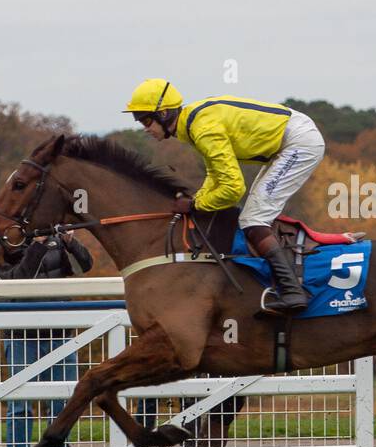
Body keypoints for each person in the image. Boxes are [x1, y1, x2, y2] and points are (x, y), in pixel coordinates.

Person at [123, 79, 326, 314]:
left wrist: (196, 204)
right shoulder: (193, 124)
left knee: (253, 219)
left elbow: (232, 188)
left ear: (165, 113)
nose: (144, 128)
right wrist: (198, 198)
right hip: (289, 141)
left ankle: (293, 292)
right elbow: (215, 173)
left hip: (298, 143)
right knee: (253, 215)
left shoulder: (202, 128)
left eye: (146, 120)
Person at [0, 231, 93, 447]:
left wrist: (70, 242)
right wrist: (37, 246)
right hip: (20, 334)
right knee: (20, 403)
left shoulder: (55, 237)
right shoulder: (1, 243)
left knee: (62, 402)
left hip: (59, 331)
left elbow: (85, 265)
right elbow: (17, 281)